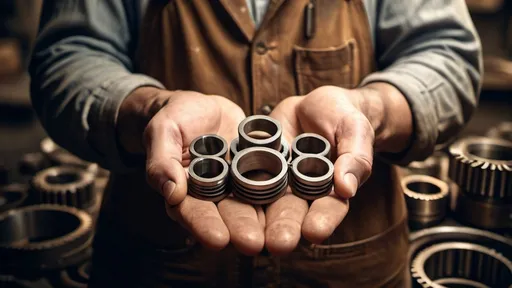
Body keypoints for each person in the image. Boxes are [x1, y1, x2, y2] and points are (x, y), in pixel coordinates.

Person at [30, 0, 482, 287]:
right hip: (154, 267)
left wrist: (373, 109)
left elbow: (448, 55)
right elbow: (66, 58)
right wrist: (147, 109)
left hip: (354, 268)